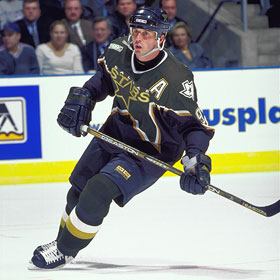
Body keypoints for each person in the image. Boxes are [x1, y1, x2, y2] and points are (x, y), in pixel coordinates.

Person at [30, 6, 214, 270]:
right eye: (135, 31)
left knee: (99, 190)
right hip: (114, 133)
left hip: (150, 152)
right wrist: (85, 97)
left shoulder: (176, 78)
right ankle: (61, 242)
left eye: (146, 34)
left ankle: (64, 250)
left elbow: (194, 127)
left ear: (161, 38)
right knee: (77, 190)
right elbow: (104, 80)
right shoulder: (118, 50)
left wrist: (196, 160)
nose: (138, 39)